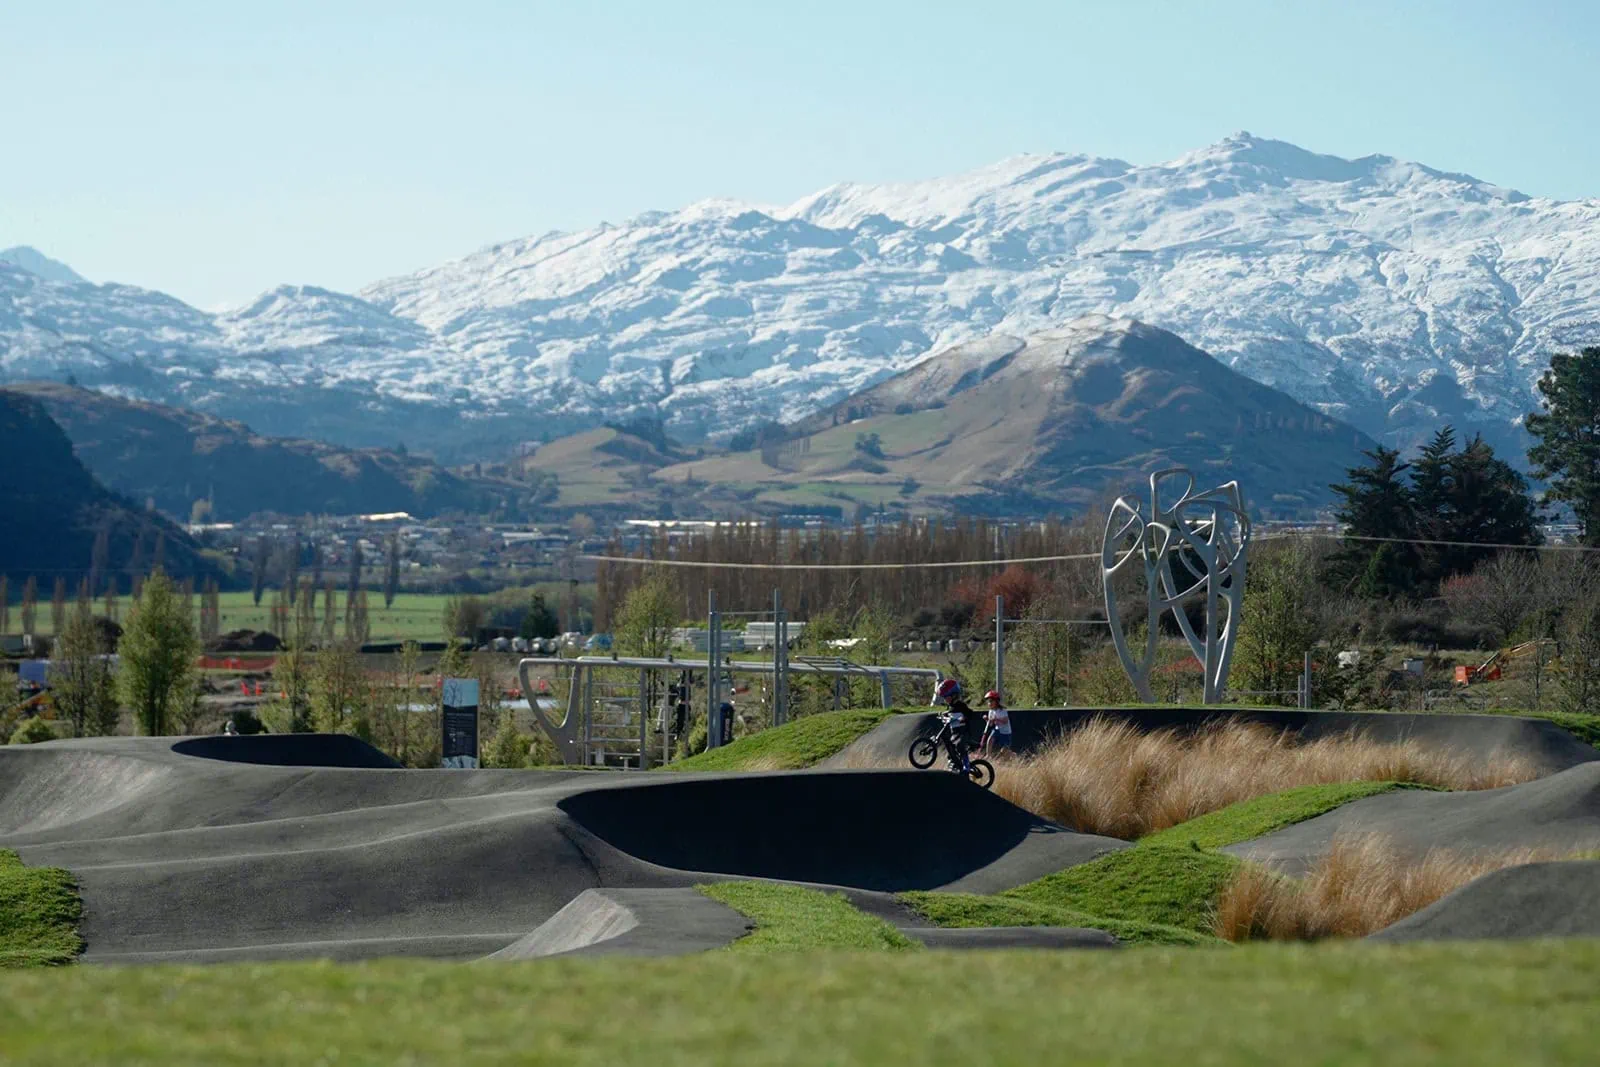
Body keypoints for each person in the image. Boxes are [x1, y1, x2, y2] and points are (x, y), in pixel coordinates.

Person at [930, 678, 979, 767]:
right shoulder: (951, 707)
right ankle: (954, 763)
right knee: (950, 749)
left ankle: (966, 766)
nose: (945, 700)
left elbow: (970, 714)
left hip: (963, 733)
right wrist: (943, 715)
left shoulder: (961, 705)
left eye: (946, 697)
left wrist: (964, 718)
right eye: (944, 697)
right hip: (954, 733)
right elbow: (950, 713)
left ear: (954, 695)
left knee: (960, 746)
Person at [980, 689, 1011, 755]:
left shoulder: (1002, 710)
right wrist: (986, 719)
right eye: (988, 702)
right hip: (997, 730)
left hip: (1005, 732)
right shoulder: (990, 711)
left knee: (1004, 752)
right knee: (990, 740)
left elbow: (1005, 721)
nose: (989, 703)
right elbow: (991, 724)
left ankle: (1013, 755)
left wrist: (996, 719)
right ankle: (988, 756)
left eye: (991, 701)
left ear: (996, 701)